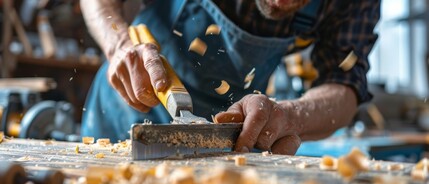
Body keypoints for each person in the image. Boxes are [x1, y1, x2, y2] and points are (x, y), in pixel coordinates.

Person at [80, 0, 380, 155]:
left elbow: (345, 84)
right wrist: (119, 43)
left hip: (226, 141)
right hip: (122, 111)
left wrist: (289, 116)